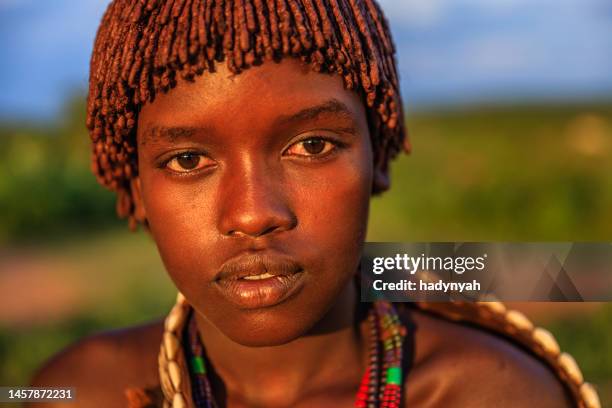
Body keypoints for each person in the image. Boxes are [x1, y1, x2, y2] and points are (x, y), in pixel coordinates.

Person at [29, 1, 600, 407]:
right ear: (134, 187)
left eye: (313, 145)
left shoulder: (495, 393)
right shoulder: (71, 393)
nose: (253, 214)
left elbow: (568, 273)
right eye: (186, 161)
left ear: (378, 154)